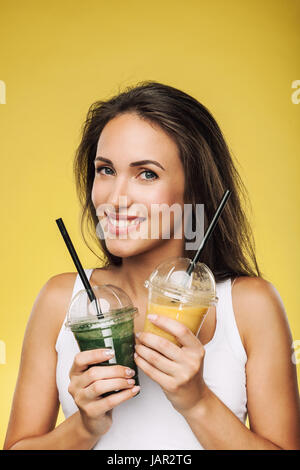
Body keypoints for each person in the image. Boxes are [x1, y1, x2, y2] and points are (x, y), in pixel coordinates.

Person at [4, 81, 300, 450]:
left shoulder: (250, 305)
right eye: (106, 170)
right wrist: (85, 426)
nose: (115, 198)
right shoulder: (61, 299)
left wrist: (197, 402)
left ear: (193, 190)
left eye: (147, 174)